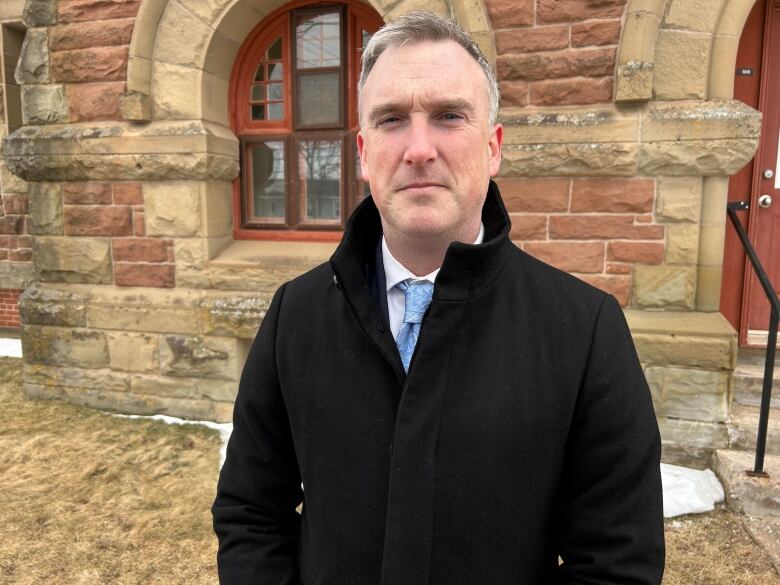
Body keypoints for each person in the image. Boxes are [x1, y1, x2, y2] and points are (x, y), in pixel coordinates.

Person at [212, 11, 665, 585]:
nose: (418, 148)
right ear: (361, 151)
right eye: (392, 119)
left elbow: (616, 560)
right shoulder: (296, 316)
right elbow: (251, 513)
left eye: (449, 116)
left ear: (494, 147)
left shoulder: (583, 330)